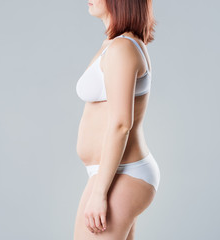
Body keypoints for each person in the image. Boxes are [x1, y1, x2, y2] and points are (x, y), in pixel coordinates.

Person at [74, 0, 160, 239]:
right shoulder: (114, 44)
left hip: (123, 173)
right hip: (114, 173)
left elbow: (121, 124)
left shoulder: (123, 48)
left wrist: (99, 193)